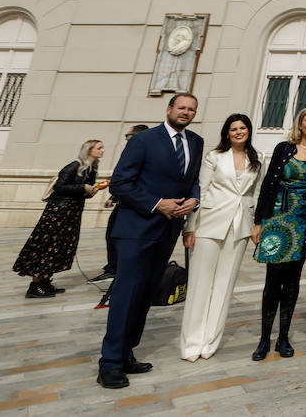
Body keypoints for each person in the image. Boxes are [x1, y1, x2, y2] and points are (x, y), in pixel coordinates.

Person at [97, 93, 203, 390]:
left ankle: (127, 351)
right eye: (181, 107)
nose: (186, 112)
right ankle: (109, 363)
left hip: (167, 231)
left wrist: (194, 198)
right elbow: (120, 183)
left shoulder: (195, 142)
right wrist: (158, 203)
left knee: (145, 295)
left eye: (191, 109)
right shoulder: (143, 141)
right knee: (125, 295)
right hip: (136, 230)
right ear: (169, 109)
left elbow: (191, 178)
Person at [251, 106, 306, 360]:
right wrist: (259, 221)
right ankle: (264, 339)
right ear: (300, 123)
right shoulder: (283, 148)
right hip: (278, 219)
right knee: (272, 281)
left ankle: (283, 338)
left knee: (293, 281)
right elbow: (268, 184)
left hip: (305, 221)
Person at [179, 114, 260, 360]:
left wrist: (256, 223)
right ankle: (192, 343)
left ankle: (210, 342)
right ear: (227, 133)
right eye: (233, 129)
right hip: (209, 224)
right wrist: (190, 227)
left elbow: (256, 193)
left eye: (242, 128)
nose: (238, 132)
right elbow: (200, 190)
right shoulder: (214, 157)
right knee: (200, 284)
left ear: (249, 131)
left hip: (239, 227)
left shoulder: (258, 159)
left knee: (224, 287)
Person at [16, 139, 104, 298]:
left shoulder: (91, 169)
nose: (102, 150)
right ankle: (35, 286)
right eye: (99, 148)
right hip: (58, 212)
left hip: (72, 214)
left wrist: (90, 191)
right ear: (89, 150)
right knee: (48, 246)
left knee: (59, 248)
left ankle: (45, 282)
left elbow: (80, 193)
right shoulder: (74, 166)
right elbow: (60, 187)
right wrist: (82, 187)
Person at [91, 124, 147, 283]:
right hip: (124, 201)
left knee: (118, 237)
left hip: (133, 204)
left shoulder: (141, 152)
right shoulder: (133, 151)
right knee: (113, 236)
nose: (126, 138)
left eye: (127, 135)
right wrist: (114, 197)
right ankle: (114, 267)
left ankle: (117, 269)